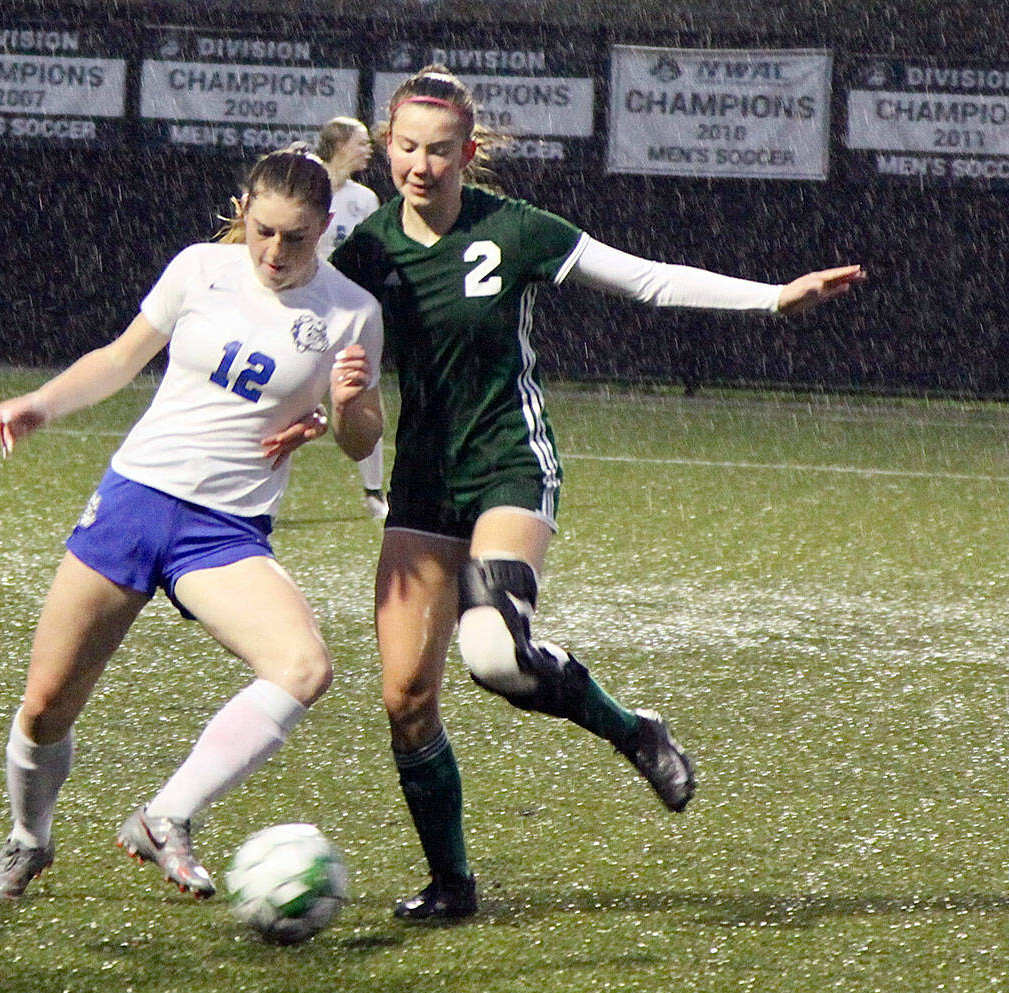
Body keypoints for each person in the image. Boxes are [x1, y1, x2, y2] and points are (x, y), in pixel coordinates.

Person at [330, 65, 866, 921]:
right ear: (385, 149)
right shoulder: (362, 257)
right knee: (405, 700)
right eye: (405, 148)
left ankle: (634, 729)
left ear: (469, 152)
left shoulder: (513, 230)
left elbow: (646, 278)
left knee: (496, 656)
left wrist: (773, 299)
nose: (420, 166)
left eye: (439, 150)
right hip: (422, 485)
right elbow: (355, 434)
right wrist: (342, 402)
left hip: (510, 465)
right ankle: (454, 884)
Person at [0, 146, 384, 903]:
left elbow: (360, 438)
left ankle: (166, 815)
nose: (276, 252)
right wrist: (41, 403)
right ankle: (29, 840)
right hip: (135, 501)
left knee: (303, 667)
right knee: (47, 704)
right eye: (263, 231)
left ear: (327, 226)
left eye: (297, 237)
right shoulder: (200, 268)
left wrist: (351, 403)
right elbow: (121, 359)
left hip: (224, 530)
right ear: (245, 211)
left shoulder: (351, 310)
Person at [316, 116, 389, 520]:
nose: (368, 149)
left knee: (363, 393)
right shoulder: (306, 182)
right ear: (340, 145)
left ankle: (374, 492)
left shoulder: (364, 199)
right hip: (303, 306)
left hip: (344, 310)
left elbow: (369, 257)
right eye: (361, 142)